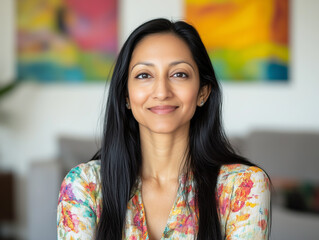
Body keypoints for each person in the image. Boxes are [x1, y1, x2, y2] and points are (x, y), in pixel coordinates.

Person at [57, 18, 271, 240]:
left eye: (179, 74)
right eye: (144, 75)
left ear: (203, 92)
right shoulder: (83, 186)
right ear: (126, 96)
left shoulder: (244, 187)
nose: (161, 91)